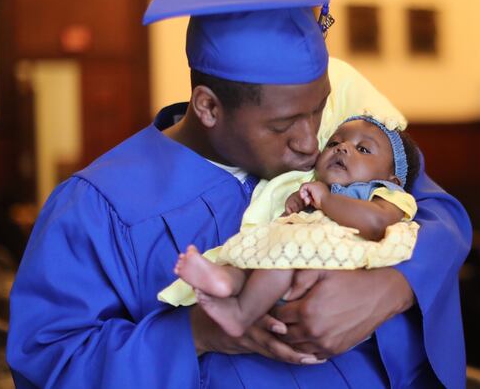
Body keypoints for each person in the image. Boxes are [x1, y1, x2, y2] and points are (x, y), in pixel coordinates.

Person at [6, 0, 472, 388]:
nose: (310, 143)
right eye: (283, 125)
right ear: (208, 106)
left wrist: (392, 287)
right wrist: (200, 333)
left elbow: (442, 218)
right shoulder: (97, 205)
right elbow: (51, 360)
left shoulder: (344, 138)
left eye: (318, 110)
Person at [164, 115, 421, 338]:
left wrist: (325, 199)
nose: (342, 148)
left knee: (280, 261)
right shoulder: (317, 187)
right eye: (333, 142)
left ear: (392, 178)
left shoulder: (385, 194)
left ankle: (241, 314)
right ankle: (225, 281)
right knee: (259, 258)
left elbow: (376, 223)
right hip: (294, 253)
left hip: (328, 269)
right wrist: (298, 202)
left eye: (363, 149)